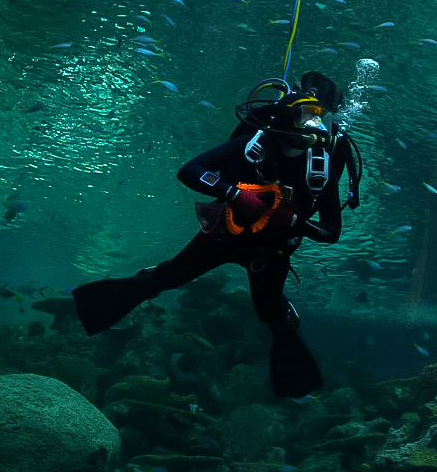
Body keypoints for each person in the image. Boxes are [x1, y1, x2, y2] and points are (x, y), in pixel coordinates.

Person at [71, 71, 362, 397]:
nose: (302, 138)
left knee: (269, 312)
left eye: (314, 126)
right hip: (225, 232)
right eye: (297, 126)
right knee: (166, 279)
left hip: (272, 250)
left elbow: (331, 232)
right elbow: (190, 170)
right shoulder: (256, 142)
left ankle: (286, 326)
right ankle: (124, 292)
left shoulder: (319, 167)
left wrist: (294, 223)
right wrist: (236, 194)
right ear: (280, 121)